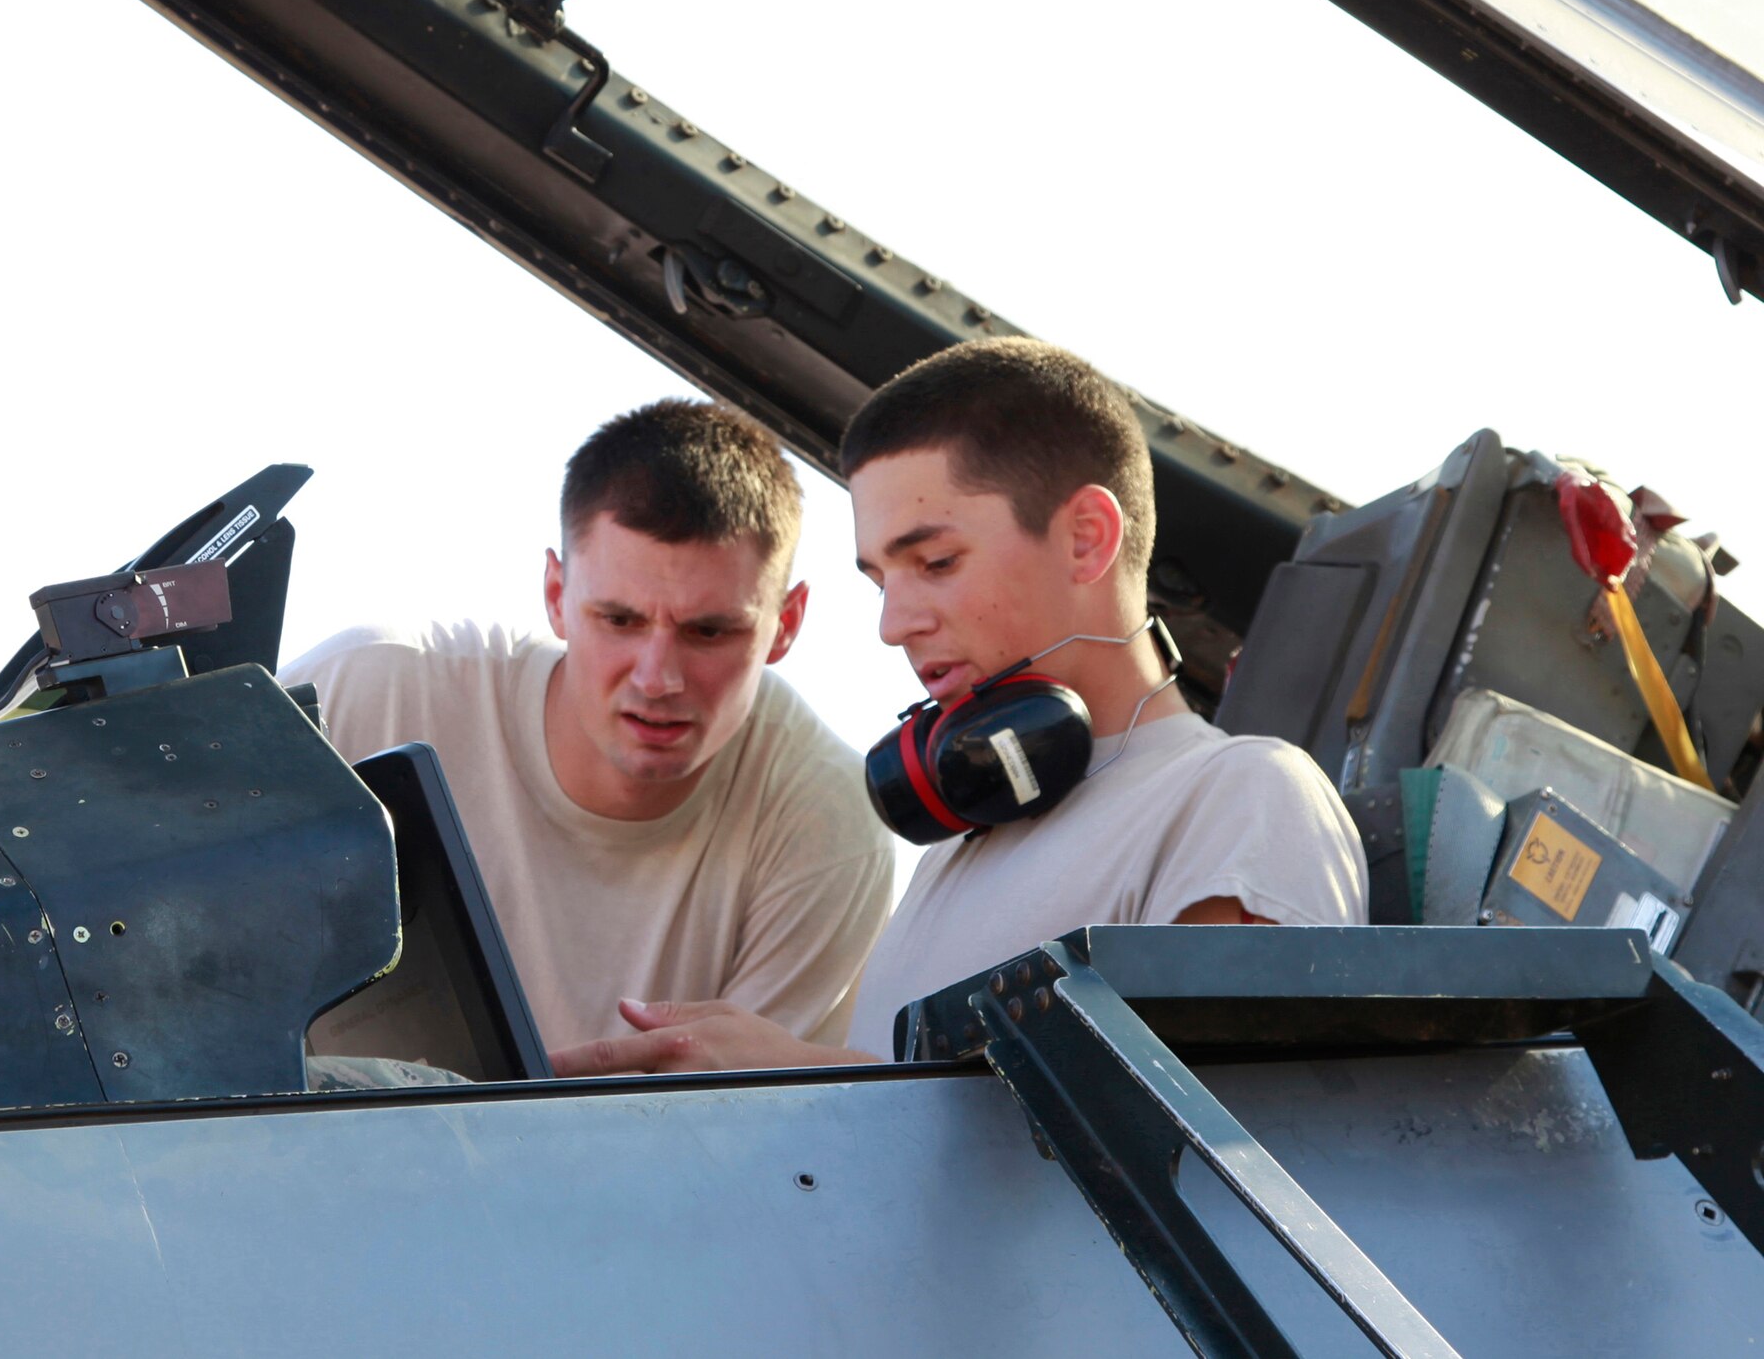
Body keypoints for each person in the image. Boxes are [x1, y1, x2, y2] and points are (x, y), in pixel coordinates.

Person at [549, 339, 1369, 1076]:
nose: (892, 623)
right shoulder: (959, 848)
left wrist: (810, 1085)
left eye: (935, 562)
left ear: (1086, 536)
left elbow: (1206, 1180)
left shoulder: (1241, 799)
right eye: (879, 578)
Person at [280, 401, 893, 1051]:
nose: (657, 677)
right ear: (555, 595)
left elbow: (742, 1133)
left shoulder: (829, 819)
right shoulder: (366, 688)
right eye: (620, 620)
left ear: (787, 623)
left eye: (708, 630)